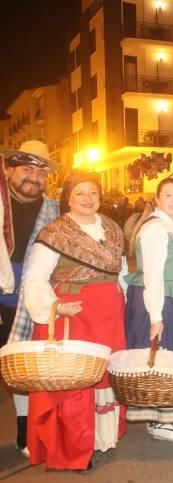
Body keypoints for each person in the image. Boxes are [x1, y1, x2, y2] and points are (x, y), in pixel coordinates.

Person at [23, 171, 127, 470]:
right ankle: (72, 448)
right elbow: (35, 278)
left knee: (104, 375)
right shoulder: (54, 234)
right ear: (67, 198)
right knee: (75, 381)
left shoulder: (111, 228)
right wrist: (56, 306)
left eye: (92, 192)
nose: (87, 199)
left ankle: (99, 439)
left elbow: (117, 273)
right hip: (74, 315)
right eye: (80, 193)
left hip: (108, 316)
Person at [124, 178, 173, 441]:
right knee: (162, 356)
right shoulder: (156, 229)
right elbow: (153, 275)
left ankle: (161, 417)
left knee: (168, 355)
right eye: (168, 195)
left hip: (168, 296)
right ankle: (158, 421)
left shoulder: (169, 225)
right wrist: (155, 316)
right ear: (156, 199)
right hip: (157, 299)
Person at [1, 140, 61, 458]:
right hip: (2, 300)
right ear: (9, 170)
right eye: (26, 169)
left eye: (40, 172)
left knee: (26, 368)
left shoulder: (54, 209)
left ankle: (26, 430)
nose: (33, 178)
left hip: (34, 300)